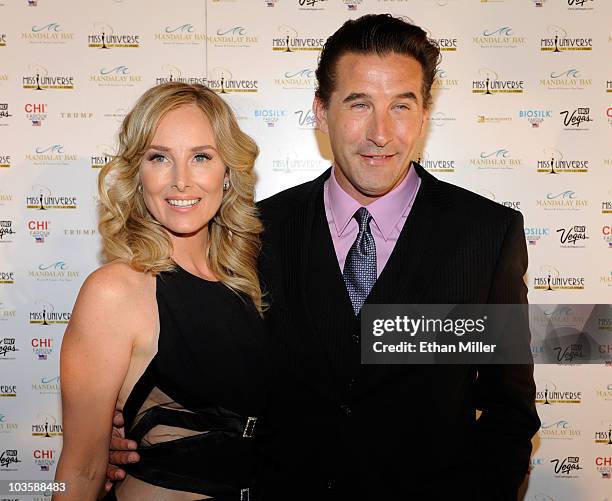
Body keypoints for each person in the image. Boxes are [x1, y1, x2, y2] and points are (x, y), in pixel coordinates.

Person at [108, 15, 540, 500]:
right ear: (321, 111)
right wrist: (127, 429)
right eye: (359, 104)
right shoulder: (252, 233)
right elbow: (209, 375)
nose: (381, 133)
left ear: (424, 116)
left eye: (402, 105)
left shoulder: (484, 233)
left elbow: (508, 409)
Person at [54, 82, 270, 500]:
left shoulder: (249, 282)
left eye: (201, 157)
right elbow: (80, 469)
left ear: (228, 174)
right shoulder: (115, 291)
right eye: (159, 158)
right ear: (138, 174)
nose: (181, 181)